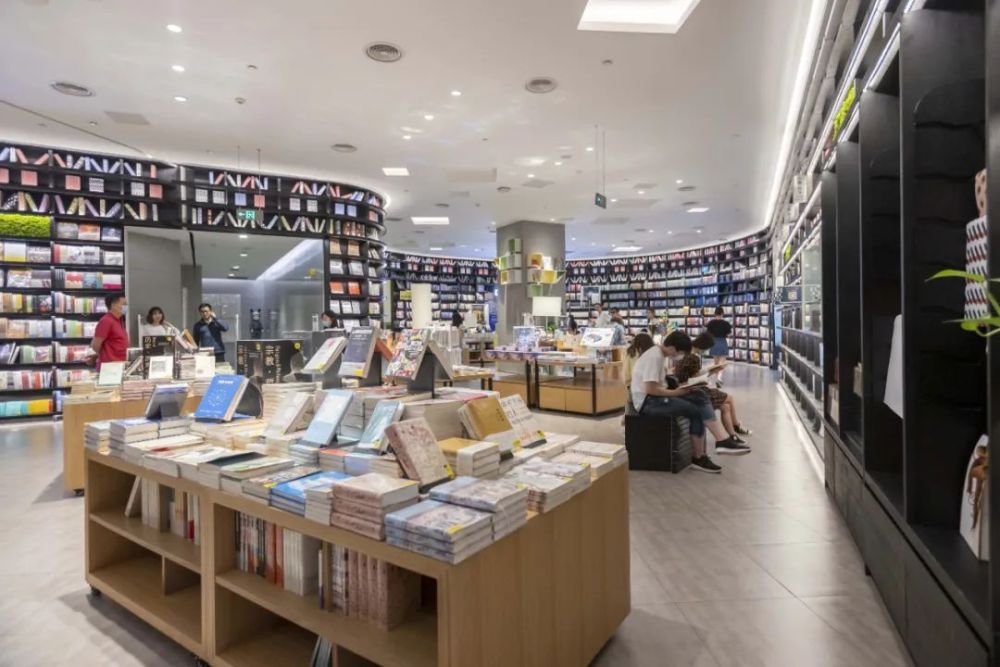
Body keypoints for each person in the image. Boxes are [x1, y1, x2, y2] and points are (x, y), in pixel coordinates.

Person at [630, 330, 741, 473]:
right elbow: (650, 389)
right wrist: (676, 392)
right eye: (681, 353)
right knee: (696, 411)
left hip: (656, 396)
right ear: (673, 348)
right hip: (649, 402)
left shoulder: (659, 355)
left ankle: (722, 440)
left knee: (699, 395)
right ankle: (699, 456)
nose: (680, 356)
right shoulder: (655, 357)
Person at [675, 333, 754, 446]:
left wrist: (712, 370)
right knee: (729, 398)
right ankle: (736, 426)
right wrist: (710, 373)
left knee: (726, 407)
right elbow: (693, 379)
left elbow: (694, 374)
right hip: (695, 391)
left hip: (694, 388)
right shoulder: (693, 357)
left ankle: (732, 435)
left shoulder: (689, 354)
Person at [91, 292, 128, 370]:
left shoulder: (119, 321)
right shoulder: (106, 321)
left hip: (119, 366)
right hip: (109, 368)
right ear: (113, 305)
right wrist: (106, 355)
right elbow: (95, 345)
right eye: (124, 304)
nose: (126, 307)